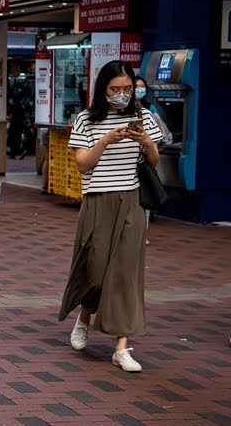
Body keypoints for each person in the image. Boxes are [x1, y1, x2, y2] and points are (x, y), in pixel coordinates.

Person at [60, 60, 162, 373]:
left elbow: (155, 162)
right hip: (97, 201)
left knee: (126, 273)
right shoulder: (87, 119)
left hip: (131, 201)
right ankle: (85, 317)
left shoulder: (144, 116)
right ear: (102, 89)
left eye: (127, 89)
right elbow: (82, 165)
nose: (122, 94)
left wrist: (146, 143)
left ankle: (122, 346)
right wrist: (106, 140)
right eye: (115, 89)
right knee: (95, 268)